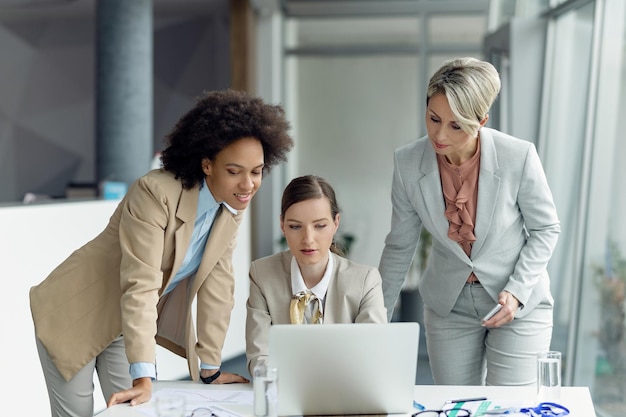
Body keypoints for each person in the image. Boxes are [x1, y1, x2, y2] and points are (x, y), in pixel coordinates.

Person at [29, 89, 294, 416]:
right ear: (207, 164)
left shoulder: (230, 209)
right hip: (74, 314)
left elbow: (218, 289)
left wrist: (210, 368)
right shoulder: (154, 193)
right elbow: (141, 283)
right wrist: (143, 376)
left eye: (256, 172)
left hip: (122, 324)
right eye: (234, 171)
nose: (248, 184)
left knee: (133, 412)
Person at [378, 57, 560, 386]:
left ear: (481, 121)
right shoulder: (407, 163)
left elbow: (546, 229)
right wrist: (374, 321)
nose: (439, 134)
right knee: (455, 406)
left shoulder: (517, 156)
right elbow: (400, 245)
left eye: (456, 125)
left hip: (516, 302)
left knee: (511, 407)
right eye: (434, 118)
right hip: (449, 306)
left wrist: (517, 290)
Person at [245, 175, 387, 374]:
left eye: (320, 226)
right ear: (282, 225)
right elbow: (259, 356)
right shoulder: (262, 274)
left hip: (344, 395)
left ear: (336, 223)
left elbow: (373, 355)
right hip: (282, 392)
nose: (308, 239)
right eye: (295, 226)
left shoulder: (365, 281)